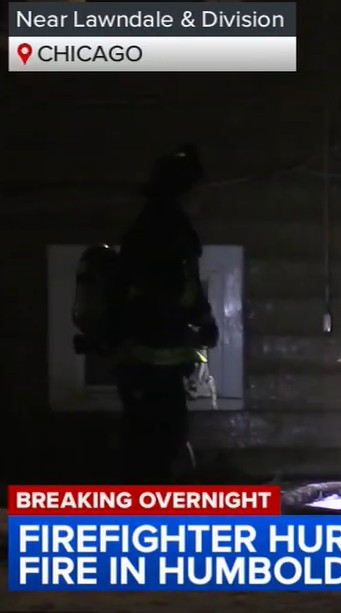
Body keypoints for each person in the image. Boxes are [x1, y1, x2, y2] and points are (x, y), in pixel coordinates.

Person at [111, 145, 219, 484]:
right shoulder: (165, 230)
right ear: (183, 189)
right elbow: (175, 288)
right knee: (157, 442)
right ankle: (150, 509)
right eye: (197, 187)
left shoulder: (156, 225)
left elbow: (181, 286)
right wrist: (198, 323)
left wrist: (200, 321)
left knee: (152, 440)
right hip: (151, 357)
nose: (202, 196)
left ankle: (148, 504)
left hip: (150, 358)